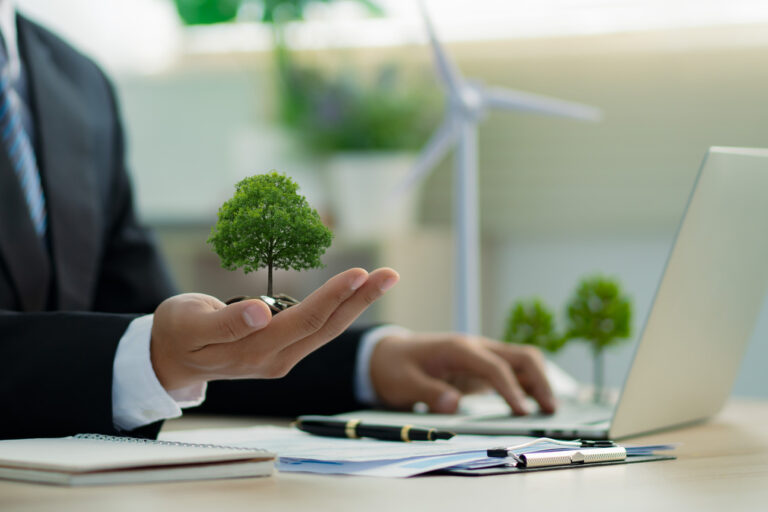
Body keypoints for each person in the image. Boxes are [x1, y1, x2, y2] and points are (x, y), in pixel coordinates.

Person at [0, 5, 555, 441]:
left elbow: (141, 328)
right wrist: (154, 353)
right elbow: (144, 348)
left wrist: (368, 362)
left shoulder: (75, 81)